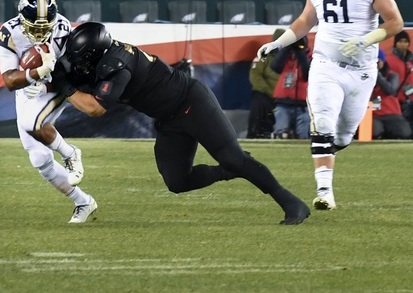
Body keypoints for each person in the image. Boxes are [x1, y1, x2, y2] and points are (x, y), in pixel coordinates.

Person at [63, 23, 311, 225]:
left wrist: (64, 86)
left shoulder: (117, 65)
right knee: (177, 182)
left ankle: (291, 203)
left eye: (83, 60)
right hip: (168, 118)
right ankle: (228, 171)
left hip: (191, 103)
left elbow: (95, 108)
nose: (80, 65)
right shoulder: (103, 57)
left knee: (233, 157)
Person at [257, 0, 404, 210]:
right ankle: (324, 191)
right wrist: (278, 43)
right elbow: (306, 20)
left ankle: (326, 153)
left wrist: (366, 40)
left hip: (361, 70)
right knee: (322, 123)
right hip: (326, 64)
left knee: (345, 134)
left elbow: (395, 22)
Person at [0, 0, 95, 224]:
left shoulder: (62, 29)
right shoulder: (10, 31)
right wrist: (35, 73)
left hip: (58, 85)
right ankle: (84, 202)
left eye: (44, 26)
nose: (40, 32)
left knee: (32, 122)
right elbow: (10, 80)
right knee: (39, 158)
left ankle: (70, 153)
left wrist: (45, 82)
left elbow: (75, 73)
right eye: (35, 27)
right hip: (28, 86)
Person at [270, 35, 311, 139]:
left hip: (302, 105)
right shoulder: (285, 56)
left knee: (303, 137)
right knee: (281, 135)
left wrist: (300, 52)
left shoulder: (310, 56)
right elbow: (275, 67)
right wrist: (286, 48)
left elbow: (307, 74)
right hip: (283, 102)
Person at [247, 29, 283, 138]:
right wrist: (270, 92)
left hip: (285, 97)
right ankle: (256, 133)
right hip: (266, 94)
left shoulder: (292, 57)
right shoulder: (263, 55)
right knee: (259, 99)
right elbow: (255, 77)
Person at [372, 50, 410, 140]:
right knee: (375, 132)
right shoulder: (364, 76)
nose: (376, 64)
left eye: (378, 61)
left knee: (404, 133)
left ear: (383, 61)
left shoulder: (392, 75)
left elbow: (390, 90)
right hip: (373, 114)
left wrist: (377, 74)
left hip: (391, 112)